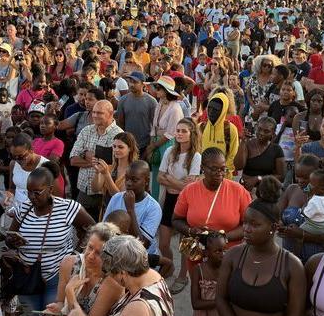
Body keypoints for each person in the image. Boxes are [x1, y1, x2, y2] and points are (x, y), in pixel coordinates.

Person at [4, 163, 95, 316]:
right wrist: (11, 241)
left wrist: (77, 253)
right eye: (29, 192)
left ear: (50, 189)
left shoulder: (67, 208)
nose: (31, 197)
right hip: (27, 277)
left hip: (57, 277)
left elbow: (92, 229)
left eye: (37, 192)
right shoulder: (23, 208)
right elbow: (9, 237)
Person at [216, 176, 305, 316]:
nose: (246, 229)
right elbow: (221, 299)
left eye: (255, 225)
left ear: (273, 228)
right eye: (245, 223)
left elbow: (295, 315)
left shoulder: (292, 266)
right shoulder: (233, 256)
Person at [62, 235, 175, 316]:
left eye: (107, 271)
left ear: (122, 274)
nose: (107, 276)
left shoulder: (138, 309)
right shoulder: (153, 277)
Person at [172, 148, 252, 289]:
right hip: (197, 257)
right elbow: (176, 220)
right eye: (214, 169)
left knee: (229, 297)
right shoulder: (189, 191)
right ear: (202, 168)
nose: (219, 173)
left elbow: (249, 226)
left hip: (229, 257)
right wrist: (191, 231)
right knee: (201, 296)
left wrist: (222, 237)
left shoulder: (238, 191)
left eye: (222, 169)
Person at [46, 222, 124, 316]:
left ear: (110, 257)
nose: (91, 255)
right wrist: (58, 309)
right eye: (90, 247)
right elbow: (61, 302)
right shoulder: (69, 263)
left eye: (99, 253)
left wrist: (70, 292)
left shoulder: (113, 284)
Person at [157, 118, 201, 282]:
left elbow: (188, 188)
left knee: (186, 243)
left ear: (191, 134)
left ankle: (183, 275)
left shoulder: (195, 156)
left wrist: (170, 179)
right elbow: (159, 178)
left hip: (186, 203)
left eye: (184, 131)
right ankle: (170, 265)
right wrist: (178, 183)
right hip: (169, 199)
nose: (179, 134)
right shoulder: (170, 152)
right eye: (178, 130)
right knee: (163, 243)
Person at [70, 100, 123, 220]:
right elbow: (73, 160)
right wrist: (96, 160)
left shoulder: (119, 135)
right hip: (83, 190)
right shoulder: (86, 130)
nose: (94, 115)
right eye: (93, 112)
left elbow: (112, 166)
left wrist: (87, 155)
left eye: (99, 113)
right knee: (79, 228)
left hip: (105, 193)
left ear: (110, 114)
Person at [102, 161, 162, 255]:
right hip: (117, 252)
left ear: (146, 181)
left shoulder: (153, 208)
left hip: (141, 258)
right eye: (127, 179)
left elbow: (142, 245)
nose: (128, 183)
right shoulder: (116, 198)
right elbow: (104, 228)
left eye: (134, 180)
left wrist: (130, 209)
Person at [144, 75, 184, 201]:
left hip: (168, 144)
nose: (156, 90)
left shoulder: (175, 109)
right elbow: (154, 127)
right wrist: (152, 143)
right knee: (156, 175)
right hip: (156, 141)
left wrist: (152, 147)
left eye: (158, 88)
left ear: (165, 91)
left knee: (164, 175)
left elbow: (170, 134)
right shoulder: (160, 103)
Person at [190, 231, 226, 316]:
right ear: (206, 252)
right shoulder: (198, 270)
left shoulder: (228, 267)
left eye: (224, 249)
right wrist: (222, 302)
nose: (223, 254)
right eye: (218, 251)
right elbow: (195, 303)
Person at [235, 117, 286, 191]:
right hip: (246, 189)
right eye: (259, 129)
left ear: (273, 133)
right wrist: (243, 141)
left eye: (266, 131)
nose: (261, 133)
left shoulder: (276, 149)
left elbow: (281, 176)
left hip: (267, 191)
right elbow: (238, 166)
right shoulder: (248, 144)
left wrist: (258, 178)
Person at [116, 71, 157, 155]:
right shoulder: (123, 100)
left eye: (135, 82)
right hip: (127, 144)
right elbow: (120, 123)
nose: (131, 84)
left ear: (143, 84)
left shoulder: (151, 101)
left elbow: (155, 125)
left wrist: (151, 145)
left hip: (144, 144)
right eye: (130, 82)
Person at [7, 133, 51, 207]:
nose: (18, 160)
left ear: (31, 150)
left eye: (21, 156)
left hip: (38, 210)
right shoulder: (13, 164)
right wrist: (8, 198)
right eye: (14, 156)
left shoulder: (45, 166)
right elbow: (12, 188)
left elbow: (55, 196)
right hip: (18, 209)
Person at [200, 92, 239, 175]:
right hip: (203, 175)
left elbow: (233, 154)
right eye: (209, 108)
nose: (211, 112)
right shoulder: (200, 128)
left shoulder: (230, 129)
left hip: (223, 176)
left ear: (223, 110)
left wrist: (223, 171)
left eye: (216, 110)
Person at [92, 132, 138, 201]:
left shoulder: (133, 170)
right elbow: (95, 189)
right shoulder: (110, 166)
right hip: (106, 209)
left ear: (130, 148)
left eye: (120, 147)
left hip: (123, 210)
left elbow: (119, 197)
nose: (116, 150)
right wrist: (97, 172)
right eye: (114, 146)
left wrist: (107, 174)